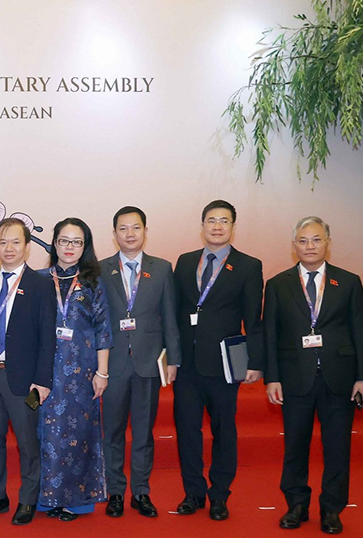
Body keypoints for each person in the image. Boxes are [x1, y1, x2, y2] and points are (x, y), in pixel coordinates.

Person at [264, 216, 363, 534]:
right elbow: (270, 335)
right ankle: (296, 505)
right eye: (302, 240)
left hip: (339, 378)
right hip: (295, 377)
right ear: (293, 245)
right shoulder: (278, 284)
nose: (309, 246)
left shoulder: (348, 282)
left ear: (327, 242)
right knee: (295, 446)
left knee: (337, 447)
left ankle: (332, 509)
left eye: (316, 239)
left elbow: (360, 331)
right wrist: (272, 377)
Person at [172, 200, 264, 521]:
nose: (217, 226)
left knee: (224, 431)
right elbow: (175, 312)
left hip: (225, 364)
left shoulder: (248, 266)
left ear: (232, 227)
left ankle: (220, 495)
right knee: (188, 431)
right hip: (186, 364)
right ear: (202, 226)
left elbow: (253, 319)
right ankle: (193, 493)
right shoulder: (185, 262)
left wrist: (255, 361)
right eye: (211, 220)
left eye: (224, 221)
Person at [98, 207, 180, 518]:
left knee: (144, 432)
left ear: (145, 231)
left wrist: (173, 359)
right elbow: (96, 319)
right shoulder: (101, 269)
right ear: (114, 234)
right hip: (113, 362)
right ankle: (115, 492)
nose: (129, 234)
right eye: (123, 228)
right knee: (113, 431)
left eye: (135, 227)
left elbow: (169, 317)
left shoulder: (162, 268)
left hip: (148, 362)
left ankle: (141, 492)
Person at [0, 218, 54, 526]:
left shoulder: (41, 285)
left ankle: (28, 498)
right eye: (3, 242)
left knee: (27, 442)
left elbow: (48, 337)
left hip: (26, 380)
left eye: (16, 242)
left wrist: (43, 381)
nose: (9, 248)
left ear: (27, 246)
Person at [37, 218, 111, 521]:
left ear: (85, 246)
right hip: (44, 371)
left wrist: (102, 373)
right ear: (54, 243)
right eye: (64, 241)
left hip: (82, 373)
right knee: (46, 434)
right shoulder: (39, 279)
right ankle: (48, 499)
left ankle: (76, 501)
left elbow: (103, 330)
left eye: (76, 242)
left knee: (78, 435)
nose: (69, 247)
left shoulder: (93, 282)